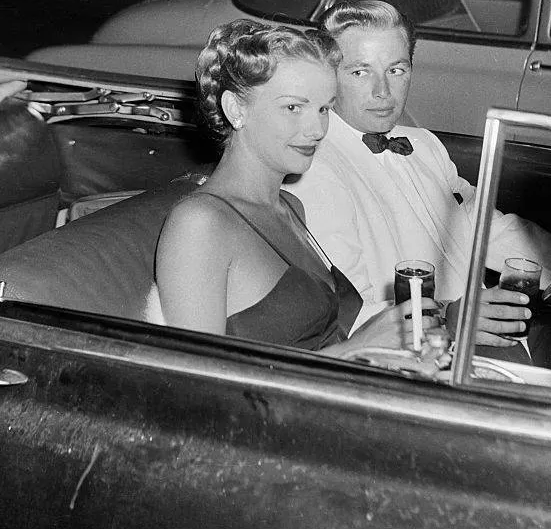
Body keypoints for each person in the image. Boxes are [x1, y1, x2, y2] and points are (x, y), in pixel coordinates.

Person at [286, 0, 551, 350]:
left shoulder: (425, 144)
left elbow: (488, 227)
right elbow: (349, 313)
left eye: (396, 70)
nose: (383, 92)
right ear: (327, 76)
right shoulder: (312, 168)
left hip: (488, 350)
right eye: (360, 72)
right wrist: (446, 319)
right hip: (414, 361)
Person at [155, 19, 431, 355]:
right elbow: (197, 379)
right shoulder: (200, 222)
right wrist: (356, 350)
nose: (316, 129)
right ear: (235, 109)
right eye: (293, 108)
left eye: (324, 108)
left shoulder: (289, 206)